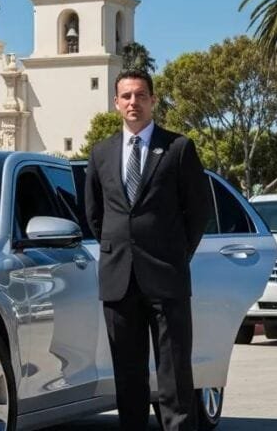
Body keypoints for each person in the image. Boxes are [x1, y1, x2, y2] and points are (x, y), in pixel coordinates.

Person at [85, 69, 213, 431]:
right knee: (128, 378)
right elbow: (95, 214)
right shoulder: (101, 152)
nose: (133, 102)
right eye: (126, 96)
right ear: (115, 103)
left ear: (153, 101)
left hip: (166, 278)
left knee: (174, 377)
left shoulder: (178, 148)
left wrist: (176, 253)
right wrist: (117, 248)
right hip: (118, 280)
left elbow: (199, 209)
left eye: (141, 95)